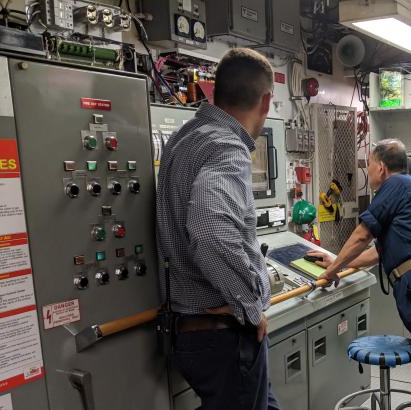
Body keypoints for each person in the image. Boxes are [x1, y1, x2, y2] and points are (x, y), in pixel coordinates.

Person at [308, 139, 411, 410]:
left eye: (369, 165)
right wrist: (338, 264)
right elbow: (376, 254)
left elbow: (363, 234)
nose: (367, 170)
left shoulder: (396, 184)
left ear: (381, 167)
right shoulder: (403, 190)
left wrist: (332, 270)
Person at [156, 48, 280, 410]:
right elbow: (210, 230)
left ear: (214, 91)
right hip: (224, 338)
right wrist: (250, 304)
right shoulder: (228, 147)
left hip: (191, 332)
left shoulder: (184, 140)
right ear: (267, 100)